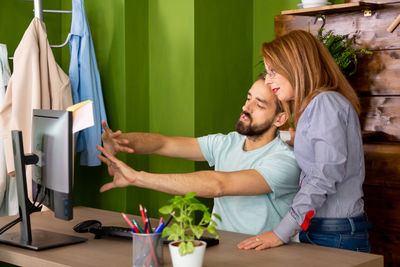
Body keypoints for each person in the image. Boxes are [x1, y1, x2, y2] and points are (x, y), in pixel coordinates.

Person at [96, 79, 300, 236]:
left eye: (260, 105)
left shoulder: (285, 161)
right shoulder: (226, 143)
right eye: (248, 99)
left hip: (265, 256)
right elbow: (163, 143)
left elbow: (218, 185)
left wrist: (137, 177)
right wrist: (121, 142)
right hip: (222, 245)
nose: (246, 108)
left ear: (280, 119)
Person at [238, 30, 370, 252]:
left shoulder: (324, 103)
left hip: (334, 232)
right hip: (327, 229)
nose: (268, 81)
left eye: (273, 72)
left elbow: (323, 176)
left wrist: (281, 232)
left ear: (296, 66)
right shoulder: (319, 105)